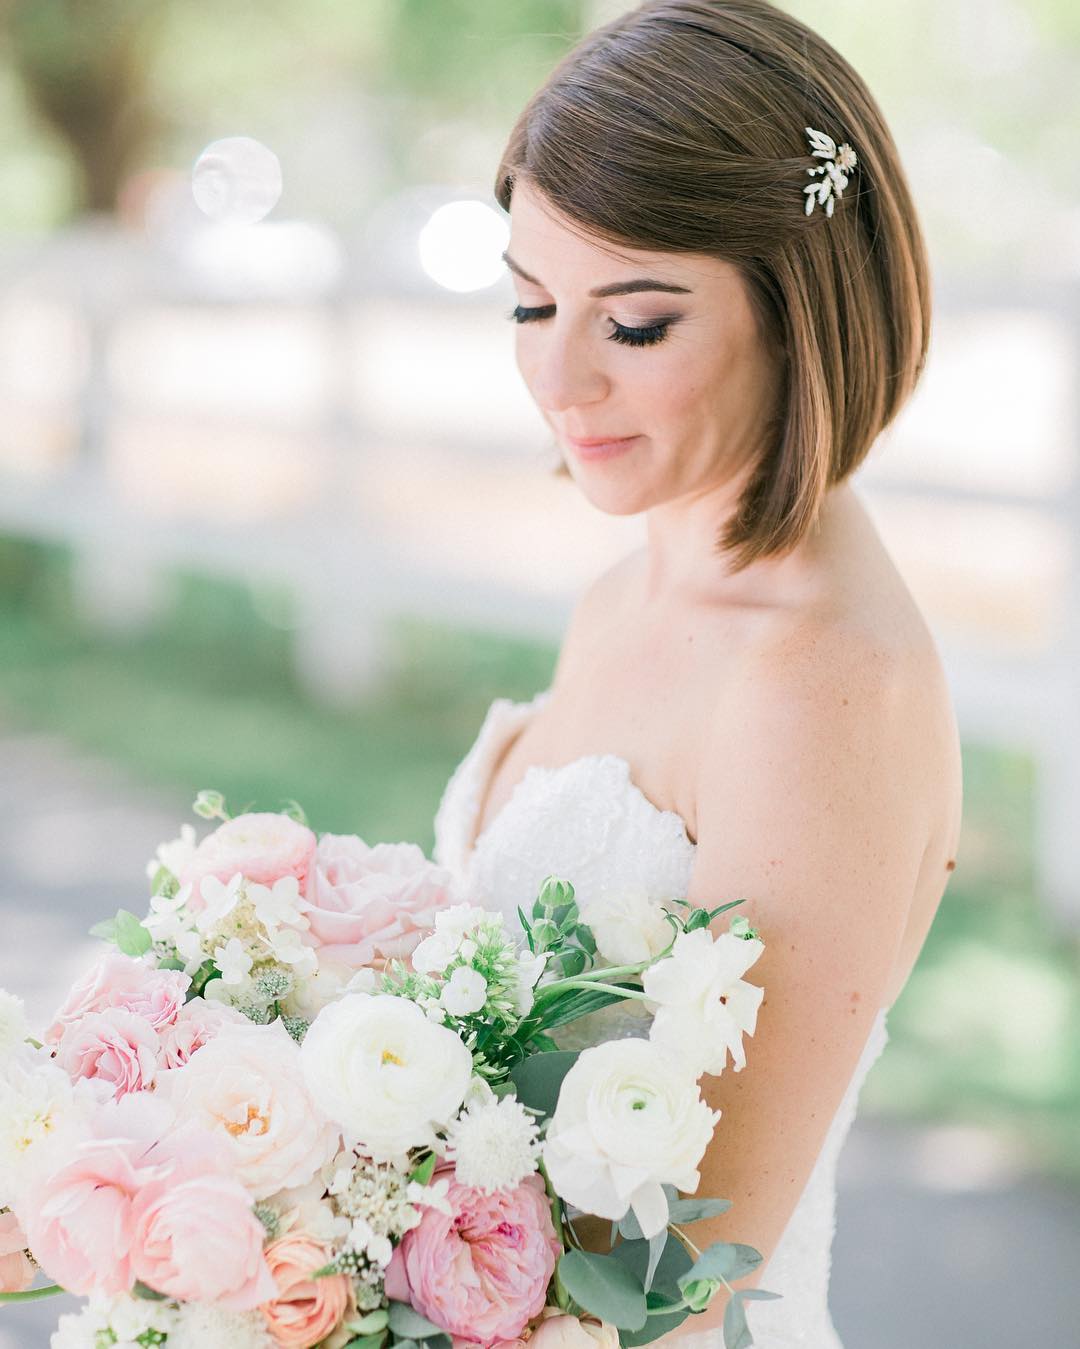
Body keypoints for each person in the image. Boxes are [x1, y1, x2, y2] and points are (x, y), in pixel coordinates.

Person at [433, 1, 963, 1344]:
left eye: (638, 325)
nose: (558, 376)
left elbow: (680, 1277)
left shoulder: (821, 684)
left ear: (799, 313)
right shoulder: (626, 591)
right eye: (531, 300)